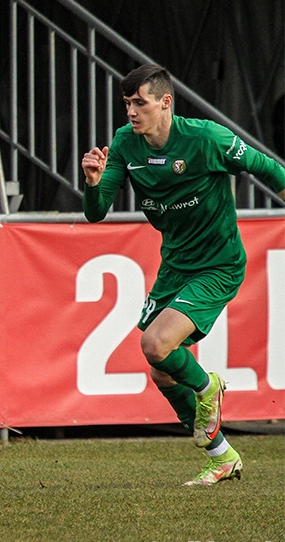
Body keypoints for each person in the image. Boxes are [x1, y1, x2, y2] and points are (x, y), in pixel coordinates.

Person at [81, 64, 285, 486]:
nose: (132, 112)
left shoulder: (205, 139)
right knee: (161, 370)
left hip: (218, 264)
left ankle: (209, 387)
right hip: (175, 264)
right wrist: (93, 182)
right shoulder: (125, 144)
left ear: (165, 102)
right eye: (127, 104)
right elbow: (96, 211)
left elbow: (269, 170)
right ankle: (222, 455)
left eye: (140, 103)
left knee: (154, 344)